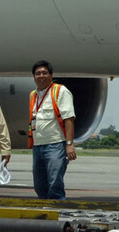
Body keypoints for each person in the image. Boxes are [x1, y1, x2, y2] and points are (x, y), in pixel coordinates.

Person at [28, 60, 76, 200]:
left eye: (44, 73)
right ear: (33, 77)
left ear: (51, 75)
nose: (41, 76)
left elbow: (69, 119)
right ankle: (45, 208)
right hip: (38, 146)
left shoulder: (60, 91)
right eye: (38, 73)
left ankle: (58, 209)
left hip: (55, 145)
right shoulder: (33, 95)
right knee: (39, 185)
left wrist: (69, 144)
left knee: (55, 184)